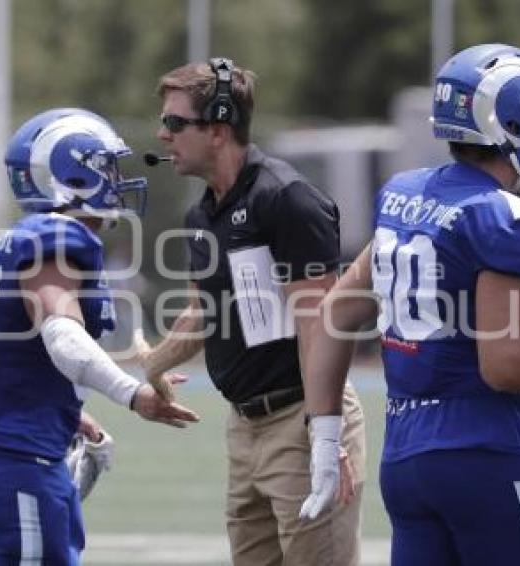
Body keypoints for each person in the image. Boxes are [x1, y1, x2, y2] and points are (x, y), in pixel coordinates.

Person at [299, 44, 520, 566]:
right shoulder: (508, 220)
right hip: (486, 456)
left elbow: (336, 313)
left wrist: (324, 437)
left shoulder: (403, 196)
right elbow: (506, 366)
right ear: (511, 120)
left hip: (405, 459)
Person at [135, 58, 366, 565]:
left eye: (175, 123)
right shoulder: (201, 214)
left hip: (299, 420)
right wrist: (150, 367)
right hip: (243, 429)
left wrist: (326, 437)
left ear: (217, 130)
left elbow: (319, 325)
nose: (163, 133)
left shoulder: (285, 198)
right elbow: (204, 311)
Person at [0, 107, 199, 565]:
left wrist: (68, 412)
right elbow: (62, 337)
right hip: (16, 460)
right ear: (74, 176)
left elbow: (11, 356)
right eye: (106, 167)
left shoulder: (35, 237)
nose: (117, 179)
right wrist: (134, 395)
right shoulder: (57, 238)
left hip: (16, 451)